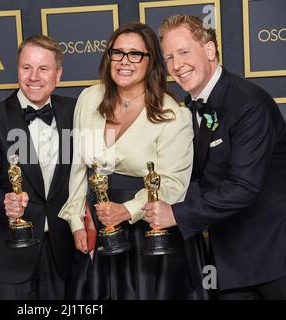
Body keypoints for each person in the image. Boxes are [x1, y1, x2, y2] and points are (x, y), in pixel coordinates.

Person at [59, 22, 207, 300]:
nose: (124, 61)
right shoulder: (89, 98)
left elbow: (173, 184)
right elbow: (79, 168)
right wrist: (76, 222)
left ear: (151, 61)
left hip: (148, 233)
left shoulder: (173, 114)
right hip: (97, 224)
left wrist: (126, 211)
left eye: (135, 54)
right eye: (117, 53)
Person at [143, 14, 286, 299]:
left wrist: (175, 213)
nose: (176, 65)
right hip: (227, 260)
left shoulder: (249, 104)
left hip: (273, 258)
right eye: (169, 57)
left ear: (209, 50)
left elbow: (243, 187)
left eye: (184, 52)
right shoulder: (189, 106)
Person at [0, 35, 76, 299]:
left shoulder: (77, 113)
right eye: (26, 67)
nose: (33, 77)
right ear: (17, 69)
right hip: (9, 257)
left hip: (64, 253)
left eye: (43, 69)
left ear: (58, 74)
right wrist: (3, 203)